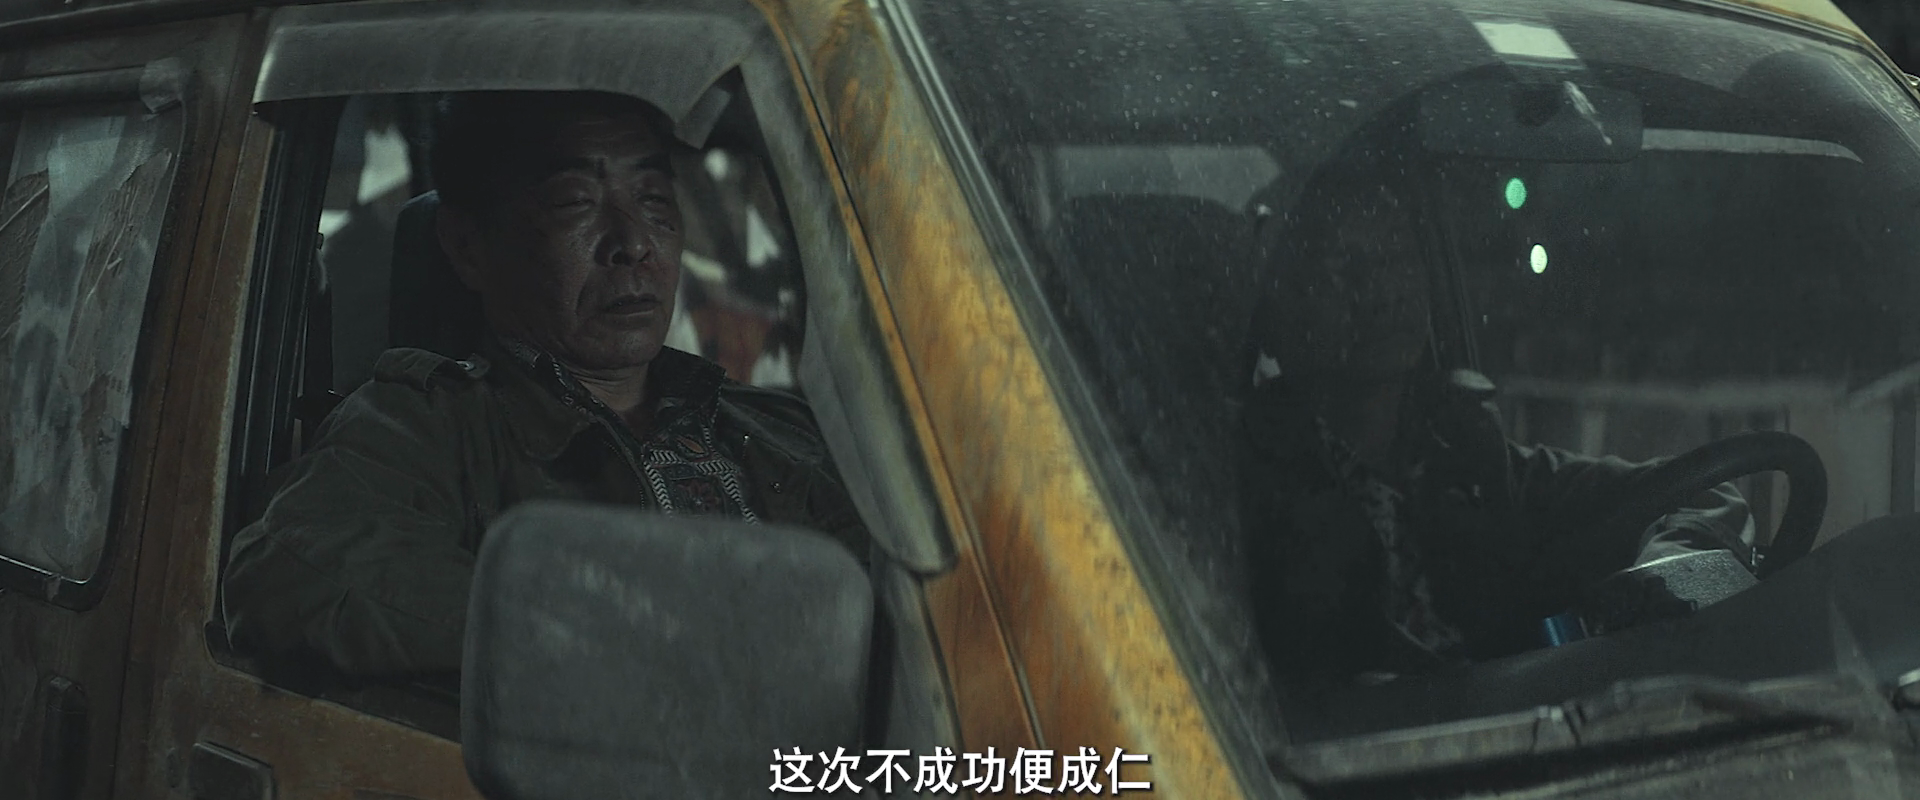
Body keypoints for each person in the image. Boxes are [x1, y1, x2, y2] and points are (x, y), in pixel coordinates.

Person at [222, 91, 868, 678]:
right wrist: (629, 634)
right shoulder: (423, 427)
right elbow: (296, 571)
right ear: (469, 246)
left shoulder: (780, 427)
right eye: (574, 203)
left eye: (653, 200)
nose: (634, 244)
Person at [1240, 172, 1754, 681]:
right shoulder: (1239, 487)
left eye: (1396, 255)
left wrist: (1663, 580)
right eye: (1340, 264)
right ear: (1273, 308)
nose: (1380, 288)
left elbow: (1699, 492)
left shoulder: (1466, 459)